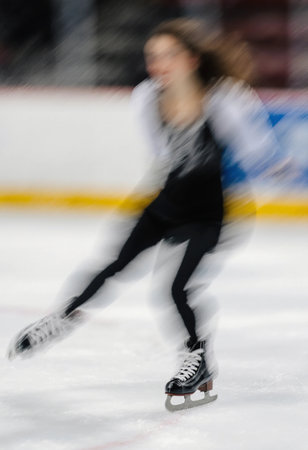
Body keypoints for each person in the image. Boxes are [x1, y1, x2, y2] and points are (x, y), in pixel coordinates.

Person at [7, 19, 283, 411]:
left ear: (191, 59)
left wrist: (280, 168)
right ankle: (62, 317)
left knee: (175, 290)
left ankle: (197, 358)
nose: (158, 64)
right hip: (165, 203)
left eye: (169, 55)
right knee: (112, 265)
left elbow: (258, 151)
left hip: (208, 213)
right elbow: (163, 156)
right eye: (152, 56)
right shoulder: (145, 97)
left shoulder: (224, 98)